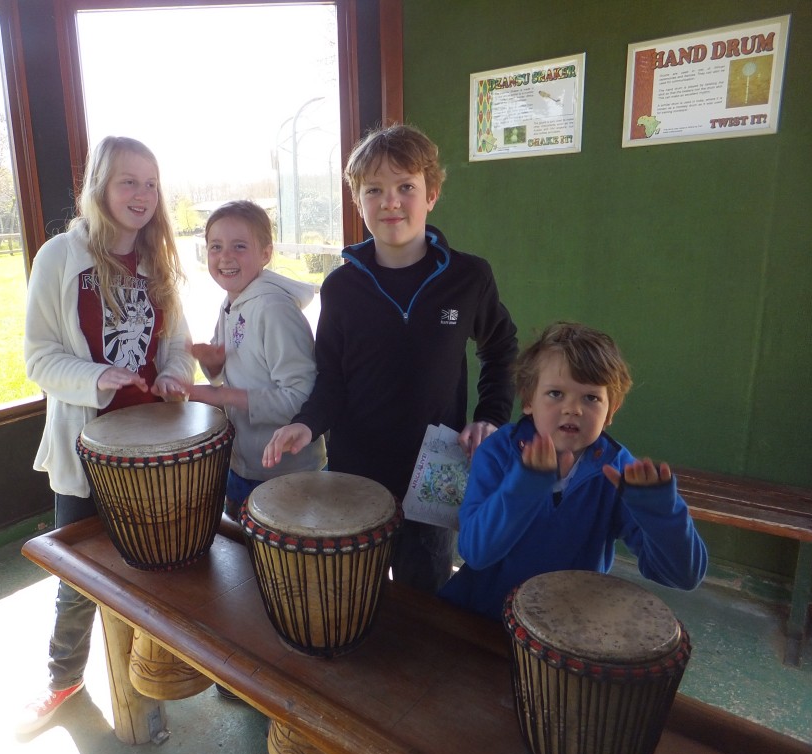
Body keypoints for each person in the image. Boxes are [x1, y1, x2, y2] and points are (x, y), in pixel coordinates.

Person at [263, 124, 518, 593]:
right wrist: (306, 423)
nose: (391, 202)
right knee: (356, 591)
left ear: (432, 194)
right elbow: (332, 380)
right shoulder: (341, 287)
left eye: (406, 187)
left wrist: (490, 417)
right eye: (373, 190)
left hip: (436, 469)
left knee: (425, 597)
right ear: (358, 201)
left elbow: (500, 349)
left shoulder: (468, 277)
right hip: (355, 468)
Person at [18, 136, 195, 735]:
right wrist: (100, 376)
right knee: (79, 577)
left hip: (153, 452)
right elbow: (39, 357)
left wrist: (171, 375)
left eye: (151, 183)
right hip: (85, 451)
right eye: (129, 182)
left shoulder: (158, 261)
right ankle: (62, 680)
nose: (143, 195)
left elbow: (175, 345)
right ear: (100, 186)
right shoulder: (59, 257)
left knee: (153, 571)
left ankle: (154, 681)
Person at [438, 321, 708, 621]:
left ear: (611, 411)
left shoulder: (618, 472)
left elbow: (683, 576)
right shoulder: (498, 452)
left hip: (561, 637)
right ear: (529, 401)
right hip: (479, 619)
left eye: (591, 398)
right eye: (556, 394)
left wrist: (661, 513)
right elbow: (476, 552)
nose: (573, 409)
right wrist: (526, 487)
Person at [189, 200, 326, 523]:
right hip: (244, 464)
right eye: (215, 247)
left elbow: (303, 399)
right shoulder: (231, 302)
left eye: (239, 246)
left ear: (266, 253)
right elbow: (237, 374)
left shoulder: (274, 310)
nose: (225, 257)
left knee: (281, 572)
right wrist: (213, 366)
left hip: (290, 474)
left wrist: (223, 397)